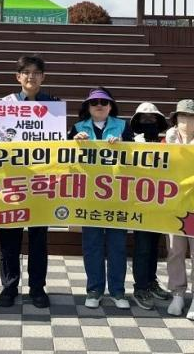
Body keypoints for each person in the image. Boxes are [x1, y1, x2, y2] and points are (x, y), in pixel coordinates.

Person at [0, 55, 59, 309]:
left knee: (38, 238)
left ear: (43, 77)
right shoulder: (5, 104)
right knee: (9, 236)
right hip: (12, 180)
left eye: (36, 72)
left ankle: (37, 288)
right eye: (26, 72)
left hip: (42, 181)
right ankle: (9, 287)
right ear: (18, 77)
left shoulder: (53, 105)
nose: (31, 76)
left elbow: (59, 144)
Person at [69, 87, 134, 310]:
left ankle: (117, 291)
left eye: (103, 102)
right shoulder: (77, 128)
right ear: (87, 107)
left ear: (110, 106)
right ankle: (94, 289)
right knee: (92, 245)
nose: (99, 106)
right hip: (89, 196)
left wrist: (124, 146)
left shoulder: (124, 126)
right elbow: (65, 159)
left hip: (117, 195)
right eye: (94, 102)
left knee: (117, 245)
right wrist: (73, 142)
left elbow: (136, 159)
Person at [161, 99, 194, 321]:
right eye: (182, 116)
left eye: (192, 116)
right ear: (175, 119)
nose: (186, 120)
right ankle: (177, 294)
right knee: (174, 250)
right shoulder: (164, 142)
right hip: (173, 205)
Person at [129, 102, 170, 310]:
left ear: (159, 121)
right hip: (140, 203)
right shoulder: (132, 142)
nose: (148, 121)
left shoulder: (166, 142)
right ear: (137, 122)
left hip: (161, 202)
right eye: (143, 118)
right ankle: (140, 287)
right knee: (143, 247)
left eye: (152, 118)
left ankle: (151, 281)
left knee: (155, 246)